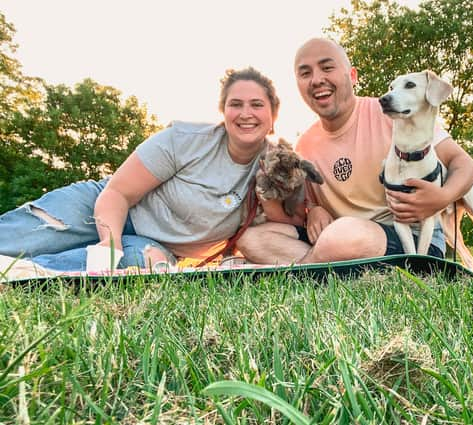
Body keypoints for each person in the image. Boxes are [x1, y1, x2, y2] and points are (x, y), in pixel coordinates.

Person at [0, 67, 280, 272]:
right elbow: (118, 194)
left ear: (273, 114)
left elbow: (287, 223)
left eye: (257, 105)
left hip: (155, 244)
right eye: (236, 104)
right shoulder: (185, 140)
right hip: (103, 207)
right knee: (24, 237)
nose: (246, 114)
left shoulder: (278, 166)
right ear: (223, 111)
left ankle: (25, 272)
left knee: (142, 264)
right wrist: (110, 244)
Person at [236, 38, 473, 264]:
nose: (317, 79)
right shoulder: (305, 144)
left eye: (327, 68)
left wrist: (443, 197)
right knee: (251, 239)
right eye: (305, 73)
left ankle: (307, 269)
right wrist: (314, 212)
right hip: (338, 239)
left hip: (404, 239)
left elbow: (464, 164)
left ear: (352, 76)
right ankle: (334, 270)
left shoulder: (391, 115)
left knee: (343, 235)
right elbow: (306, 209)